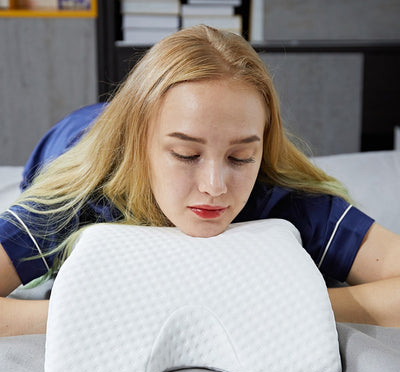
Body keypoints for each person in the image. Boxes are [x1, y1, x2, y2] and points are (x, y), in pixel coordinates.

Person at [0, 25, 399, 337]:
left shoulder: (285, 199)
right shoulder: (78, 196)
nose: (214, 186)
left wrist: (287, 305)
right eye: (186, 155)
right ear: (140, 145)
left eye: (240, 157)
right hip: (79, 135)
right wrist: (103, 314)